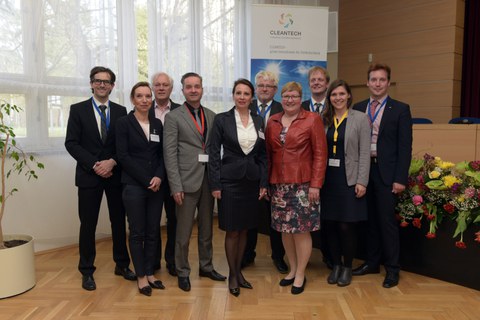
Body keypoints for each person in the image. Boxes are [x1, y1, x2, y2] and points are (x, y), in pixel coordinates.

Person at [65, 66, 135, 291]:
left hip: (115, 175)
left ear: (112, 86)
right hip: (89, 175)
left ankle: (122, 265)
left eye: (106, 81)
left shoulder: (121, 111)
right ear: (91, 83)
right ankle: (87, 271)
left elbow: (125, 144)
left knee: (118, 222)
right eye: (98, 81)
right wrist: (95, 164)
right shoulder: (78, 110)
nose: (102, 84)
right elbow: (71, 143)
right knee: (88, 225)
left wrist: (112, 162)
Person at [163, 72, 226, 292]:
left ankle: (206, 267)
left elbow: (214, 150)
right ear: (182, 90)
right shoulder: (173, 117)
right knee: (183, 231)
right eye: (188, 86)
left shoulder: (212, 116)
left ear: (202, 89)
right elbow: (169, 154)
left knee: (208, 229)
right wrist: (175, 185)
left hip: (208, 180)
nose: (193, 90)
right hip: (185, 182)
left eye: (197, 86)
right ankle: (182, 271)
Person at [352, 63, 413, 288]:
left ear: (388, 82)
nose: (377, 84)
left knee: (386, 222)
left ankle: (393, 269)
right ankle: (372, 262)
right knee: (369, 221)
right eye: (373, 80)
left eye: (382, 80)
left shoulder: (400, 109)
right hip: (363, 171)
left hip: (387, 173)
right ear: (367, 83)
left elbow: (404, 147)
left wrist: (400, 179)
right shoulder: (357, 108)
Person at [207, 79, 268, 297]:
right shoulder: (222, 120)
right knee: (232, 230)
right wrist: (215, 184)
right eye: (238, 93)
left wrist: (263, 182)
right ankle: (233, 274)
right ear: (233, 95)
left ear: (252, 97)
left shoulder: (259, 120)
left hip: (251, 182)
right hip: (229, 182)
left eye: (246, 93)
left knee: (245, 229)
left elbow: (262, 155)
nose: (242, 97)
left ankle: (239, 272)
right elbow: (213, 154)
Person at [266, 81, 327, 294]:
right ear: (281, 98)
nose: (289, 100)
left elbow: (320, 154)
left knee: (301, 231)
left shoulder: (312, 119)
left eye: (294, 96)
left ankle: (301, 273)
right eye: (286, 96)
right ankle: (291, 270)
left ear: (301, 98)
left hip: (303, 186)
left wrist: (316, 185)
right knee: (285, 231)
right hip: (279, 185)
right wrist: (267, 184)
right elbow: (268, 155)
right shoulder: (273, 121)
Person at [116, 82, 166, 296]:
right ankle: (141, 276)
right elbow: (123, 156)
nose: (144, 100)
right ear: (133, 99)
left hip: (155, 186)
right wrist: (147, 179)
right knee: (137, 233)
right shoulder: (123, 123)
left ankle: (150, 272)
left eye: (148, 96)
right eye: (140, 96)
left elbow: (161, 155)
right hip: (134, 186)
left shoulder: (157, 124)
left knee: (153, 231)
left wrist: (158, 176)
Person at [321, 80, 371, 287]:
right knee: (330, 224)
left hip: (349, 179)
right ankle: (335, 265)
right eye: (334, 95)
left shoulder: (360, 118)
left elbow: (365, 152)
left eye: (342, 94)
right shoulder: (323, 119)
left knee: (346, 226)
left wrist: (362, 181)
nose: (338, 98)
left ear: (349, 96)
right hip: (327, 180)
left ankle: (348, 266)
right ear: (329, 97)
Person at [243, 70, 288, 274]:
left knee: (276, 217)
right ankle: (248, 254)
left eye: (268, 86)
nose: (264, 89)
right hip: (250, 171)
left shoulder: (284, 109)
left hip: (276, 170)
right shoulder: (245, 106)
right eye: (260, 86)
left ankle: (278, 256)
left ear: (275, 90)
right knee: (250, 215)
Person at [300, 65, 333, 269]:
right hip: (304, 170)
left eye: (321, 80)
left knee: (327, 215)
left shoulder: (335, 104)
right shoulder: (300, 106)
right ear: (309, 84)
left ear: (327, 83)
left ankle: (329, 255)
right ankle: (305, 258)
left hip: (331, 169)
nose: (317, 83)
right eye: (313, 80)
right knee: (305, 215)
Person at [150, 71, 181, 276]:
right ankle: (152, 262)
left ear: (171, 88)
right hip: (150, 177)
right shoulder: (141, 109)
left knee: (174, 222)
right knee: (152, 222)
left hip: (174, 177)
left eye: (165, 85)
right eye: (157, 84)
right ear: (152, 87)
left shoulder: (181, 111)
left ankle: (172, 261)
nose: (161, 88)